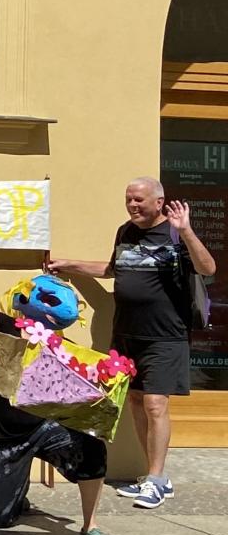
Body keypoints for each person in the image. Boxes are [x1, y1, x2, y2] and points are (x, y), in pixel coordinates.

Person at [48, 178, 215, 509]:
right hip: (127, 335)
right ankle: (153, 477)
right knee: (137, 402)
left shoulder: (175, 234)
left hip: (165, 336)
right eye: (128, 200)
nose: (133, 205)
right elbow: (112, 269)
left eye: (139, 200)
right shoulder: (125, 232)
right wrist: (69, 265)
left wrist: (186, 231)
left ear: (159, 202)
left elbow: (207, 267)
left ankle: (156, 478)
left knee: (155, 403)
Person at [0, 228, 113, 535]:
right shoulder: (4, 325)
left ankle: (90, 525)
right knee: (0, 519)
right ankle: (15, 491)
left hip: (43, 428)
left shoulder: (64, 347)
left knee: (93, 448)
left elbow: (82, 392)